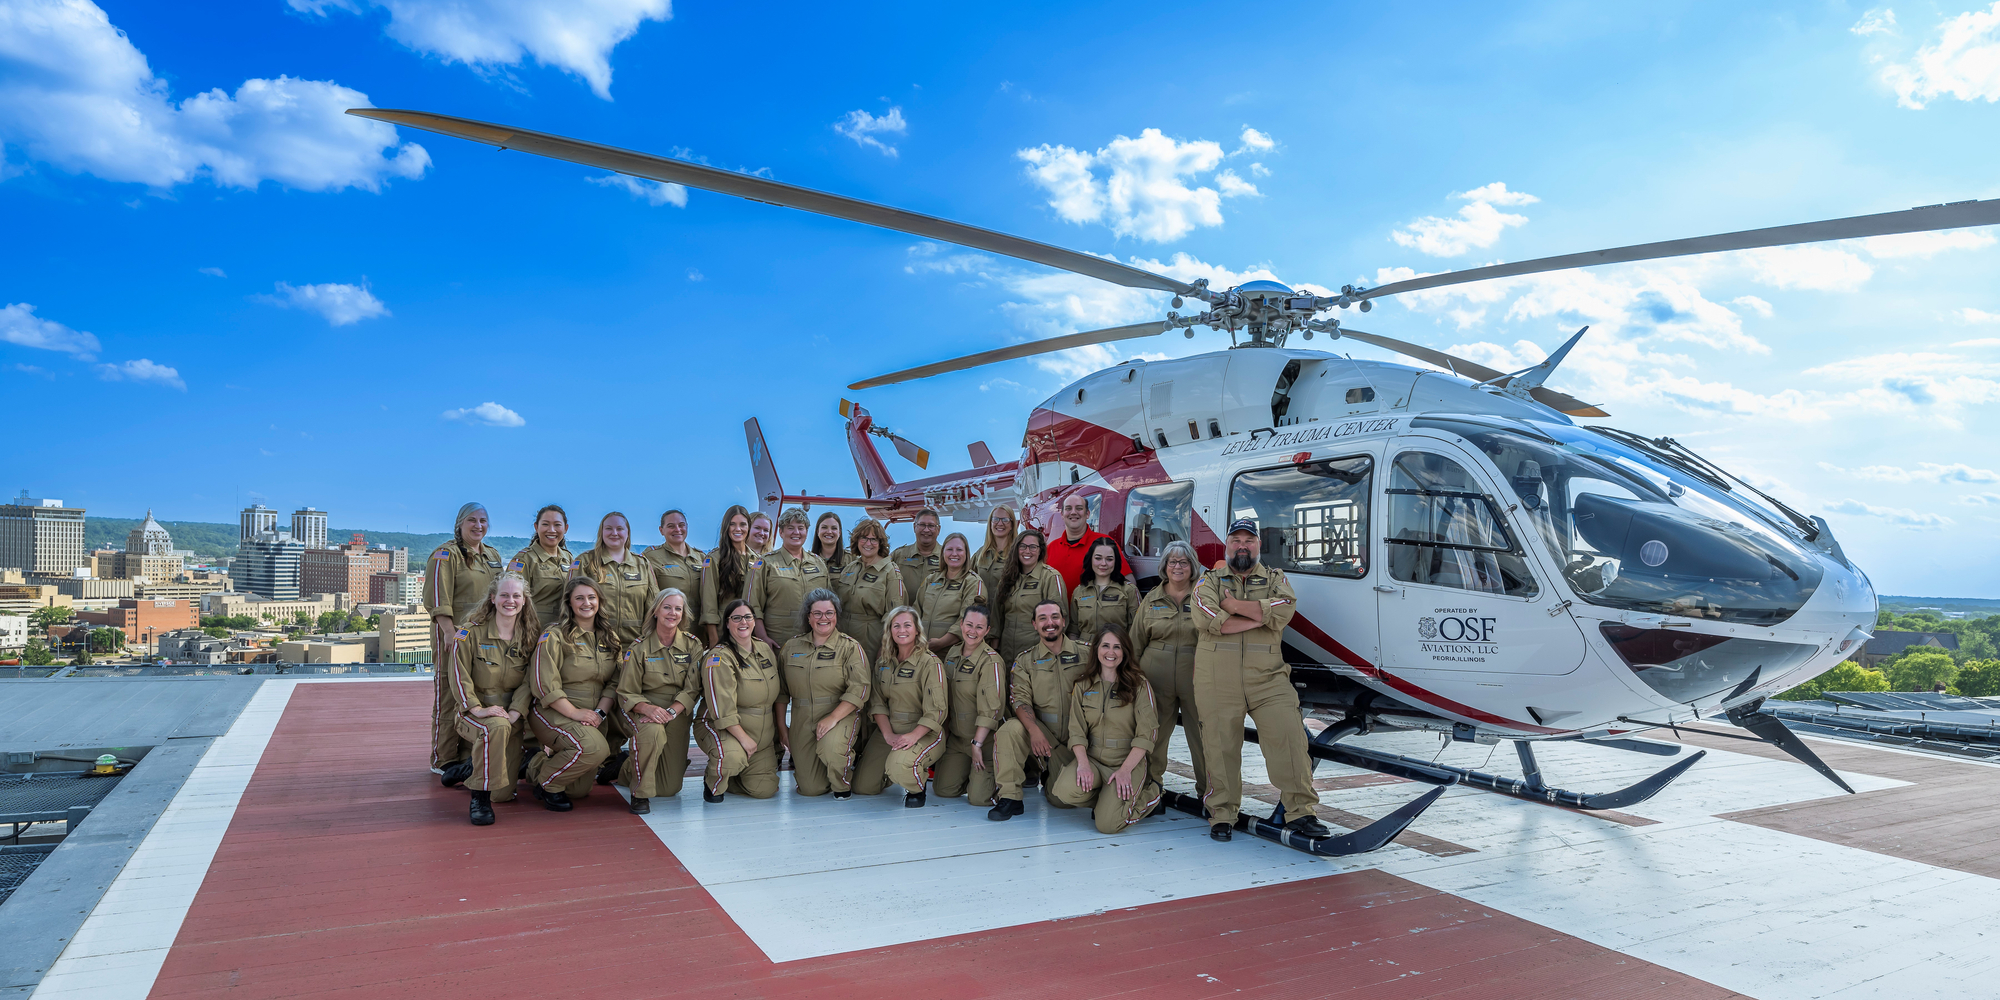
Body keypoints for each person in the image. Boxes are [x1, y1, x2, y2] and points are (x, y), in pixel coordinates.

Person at [1194, 518, 1330, 842]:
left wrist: (1233, 606)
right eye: (1236, 540)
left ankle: (1302, 813)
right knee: (1220, 747)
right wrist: (1257, 615)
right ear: (1227, 545)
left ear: (1258, 545)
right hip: (1216, 678)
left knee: (1290, 738)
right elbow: (1208, 618)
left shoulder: (1275, 578)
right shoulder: (1208, 581)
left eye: (1249, 540)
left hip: (1268, 678)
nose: (1243, 545)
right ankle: (1222, 814)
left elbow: (1285, 609)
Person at [444, 572, 539, 826]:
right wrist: (476, 709)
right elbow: (458, 675)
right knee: (494, 729)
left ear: (524, 600)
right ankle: (479, 799)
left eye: (516, 596)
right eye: (505, 595)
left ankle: (469, 768)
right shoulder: (469, 633)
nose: (511, 601)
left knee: (503, 795)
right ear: (493, 598)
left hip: (511, 716)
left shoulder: (530, 637)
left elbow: (531, 680)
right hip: (475, 714)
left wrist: (516, 712)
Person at [1049, 622, 1162, 834]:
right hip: (1093, 760)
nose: (1111, 652)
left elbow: (1147, 734)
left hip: (1125, 761)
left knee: (1107, 825)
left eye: (1117, 647)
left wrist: (1125, 770)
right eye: (1105, 646)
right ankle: (1107, 802)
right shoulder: (1083, 684)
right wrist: (1082, 764)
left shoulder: (1139, 685)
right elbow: (1077, 731)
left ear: (1125, 651)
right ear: (1096, 650)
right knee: (1063, 791)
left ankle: (1152, 794)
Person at [986, 600, 1091, 821]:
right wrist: (1034, 731)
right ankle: (1010, 798)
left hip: (1080, 740)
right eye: (1042, 618)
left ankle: (1053, 775)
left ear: (1063, 621)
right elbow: (1019, 700)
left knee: (1060, 801)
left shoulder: (1087, 654)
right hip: (1045, 737)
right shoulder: (1026, 660)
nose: (1049, 623)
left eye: (1054, 617)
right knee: (1010, 729)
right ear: (1034, 624)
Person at [526, 577, 622, 811]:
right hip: (554, 712)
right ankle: (546, 784)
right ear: (569, 602)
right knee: (595, 748)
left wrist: (599, 712)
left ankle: (533, 763)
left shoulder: (609, 637)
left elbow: (615, 682)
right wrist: (576, 713)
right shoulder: (555, 635)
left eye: (591, 597)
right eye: (579, 598)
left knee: (578, 791)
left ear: (599, 601)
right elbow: (543, 684)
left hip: (591, 715)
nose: (586, 603)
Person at [611, 588, 704, 814]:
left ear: (683, 614)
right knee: (653, 734)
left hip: (677, 711)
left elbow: (693, 689)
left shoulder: (693, 645)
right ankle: (639, 795)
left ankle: (623, 768)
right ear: (655, 611)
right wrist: (648, 709)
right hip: (643, 709)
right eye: (667, 607)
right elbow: (626, 692)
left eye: (678, 609)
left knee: (669, 788)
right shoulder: (639, 647)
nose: (672, 613)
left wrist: (671, 712)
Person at [429, 502, 503, 776]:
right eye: (472, 520)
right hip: (453, 637)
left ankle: (467, 755)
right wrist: (449, 632)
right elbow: (438, 598)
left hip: (483, 638)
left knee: (474, 694)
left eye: (483, 520)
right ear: (460, 523)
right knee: (449, 694)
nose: (478, 525)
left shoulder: (492, 555)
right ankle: (444, 758)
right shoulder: (445, 555)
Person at [1131, 540, 1207, 802]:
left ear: (1192, 566)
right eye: (1172, 562)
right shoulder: (1151, 598)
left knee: (1202, 736)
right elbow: (1136, 641)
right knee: (1155, 735)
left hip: (1196, 677)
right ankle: (1151, 790)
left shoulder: (1203, 596)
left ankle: (1209, 795)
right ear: (1164, 566)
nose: (1178, 566)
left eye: (1183, 562)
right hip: (1156, 678)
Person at [779, 589, 870, 798]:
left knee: (831, 751)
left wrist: (832, 718)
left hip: (839, 713)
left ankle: (843, 783)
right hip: (802, 717)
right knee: (811, 789)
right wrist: (783, 728)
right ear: (808, 617)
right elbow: (781, 693)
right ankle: (829, 769)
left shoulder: (850, 647)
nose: (823, 618)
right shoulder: (791, 647)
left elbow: (860, 689)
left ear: (836, 615)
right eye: (817, 613)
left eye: (829, 613)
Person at [853, 607, 947, 806]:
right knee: (864, 787)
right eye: (896, 625)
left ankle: (916, 786)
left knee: (899, 766)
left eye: (907, 625)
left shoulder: (930, 663)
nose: (901, 630)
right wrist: (888, 735)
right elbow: (877, 703)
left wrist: (912, 737)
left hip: (923, 731)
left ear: (917, 630)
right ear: (890, 631)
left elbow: (937, 711)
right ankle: (894, 767)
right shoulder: (883, 663)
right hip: (890, 729)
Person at [694, 598, 786, 801]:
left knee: (765, 790)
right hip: (723, 727)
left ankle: (734, 776)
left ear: (754, 621)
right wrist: (745, 740)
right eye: (736, 618)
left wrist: (778, 733)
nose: (743, 622)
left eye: (747, 617)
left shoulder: (764, 649)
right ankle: (714, 783)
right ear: (727, 623)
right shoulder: (719, 657)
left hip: (760, 736)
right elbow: (722, 710)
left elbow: (777, 693)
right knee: (731, 759)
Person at [933, 606, 1005, 807]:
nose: (973, 631)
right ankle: (974, 778)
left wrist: (977, 744)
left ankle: (1004, 780)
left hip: (984, 742)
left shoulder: (991, 661)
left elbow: (992, 709)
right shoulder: (953, 654)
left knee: (979, 799)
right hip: (957, 740)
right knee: (943, 790)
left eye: (979, 627)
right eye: (969, 625)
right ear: (961, 624)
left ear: (987, 630)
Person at [750, 507, 830, 651]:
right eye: (790, 528)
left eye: (801, 528)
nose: (796, 532)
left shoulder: (818, 563)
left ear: (806, 532)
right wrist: (763, 639)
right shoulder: (766, 563)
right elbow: (753, 605)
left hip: (814, 640)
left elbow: (829, 603)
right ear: (781, 532)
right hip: (778, 641)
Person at [572, 511, 655, 644]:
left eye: (620, 529)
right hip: (597, 644)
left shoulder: (642, 564)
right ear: (602, 532)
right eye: (609, 528)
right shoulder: (586, 561)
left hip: (635, 645)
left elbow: (653, 606)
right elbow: (570, 603)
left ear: (627, 533)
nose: (614, 533)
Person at [834, 518, 905, 659]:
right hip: (843, 634)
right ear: (856, 540)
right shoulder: (850, 568)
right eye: (864, 538)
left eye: (874, 539)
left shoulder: (890, 571)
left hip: (871, 637)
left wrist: (885, 646)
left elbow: (895, 613)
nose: (868, 543)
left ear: (880, 544)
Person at [995, 529, 1065, 665]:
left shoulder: (1050, 577)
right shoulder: (1007, 578)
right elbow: (997, 616)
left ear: (1040, 551)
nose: (1027, 551)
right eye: (1023, 546)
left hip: (1036, 652)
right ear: (1016, 549)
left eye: (1033, 547)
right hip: (1007, 650)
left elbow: (1061, 619)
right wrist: (995, 647)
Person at [1043, 493, 1131, 593]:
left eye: (1079, 508)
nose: (1073, 512)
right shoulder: (1050, 548)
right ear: (1062, 515)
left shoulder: (1105, 543)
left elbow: (1129, 582)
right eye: (1068, 508)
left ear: (1087, 514)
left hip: (1091, 608)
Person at [701, 506, 760, 646]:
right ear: (726, 527)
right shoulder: (714, 559)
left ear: (749, 527)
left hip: (750, 632)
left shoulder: (757, 559)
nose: (737, 529)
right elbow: (708, 603)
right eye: (732, 524)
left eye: (742, 524)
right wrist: (714, 640)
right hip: (725, 631)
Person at [917, 532, 986, 653]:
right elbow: (916, 610)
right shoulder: (931, 579)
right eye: (949, 549)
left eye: (959, 549)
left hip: (952, 653)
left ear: (966, 553)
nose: (954, 554)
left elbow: (969, 620)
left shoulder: (972, 582)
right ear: (943, 552)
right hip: (923, 651)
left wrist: (942, 642)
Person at [507, 505, 572, 624]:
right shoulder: (524, 559)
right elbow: (510, 601)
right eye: (545, 524)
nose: (552, 530)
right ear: (536, 527)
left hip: (563, 631)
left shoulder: (569, 558)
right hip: (534, 631)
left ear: (565, 528)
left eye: (557, 525)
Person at [643, 509, 704, 627]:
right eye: (671, 526)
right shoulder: (651, 557)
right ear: (661, 530)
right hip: (668, 627)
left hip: (698, 628)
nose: (677, 529)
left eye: (681, 525)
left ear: (687, 527)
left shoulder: (701, 557)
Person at [1068, 536, 1137, 640]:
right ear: (1090, 559)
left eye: (1109, 559)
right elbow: (1073, 631)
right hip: (1084, 651)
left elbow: (1136, 630)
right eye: (1098, 558)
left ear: (1116, 561)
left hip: (1114, 652)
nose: (1103, 563)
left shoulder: (1129, 590)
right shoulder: (1079, 592)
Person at [889, 509, 943, 599]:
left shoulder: (947, 557)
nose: (926, 530)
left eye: (931, 526)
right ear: (914, 527)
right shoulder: (899, 555)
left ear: (938, 529)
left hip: (935, 612)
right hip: (903, 611)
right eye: (922, 525)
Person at [970, 505, 1017, 601]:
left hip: (1008, 613)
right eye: (995, 519)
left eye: (1005, 520)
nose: (1000, 523)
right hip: (982, 613)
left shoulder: (1017, 554)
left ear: (1012, 525)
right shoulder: (980, 555)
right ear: (990, 523)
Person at [811, 511, 847, 576]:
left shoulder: (851, 560)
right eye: (824, 527)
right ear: (817, 531)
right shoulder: (807, 560)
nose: (829, 532)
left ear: (839, 533)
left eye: (834, 528)